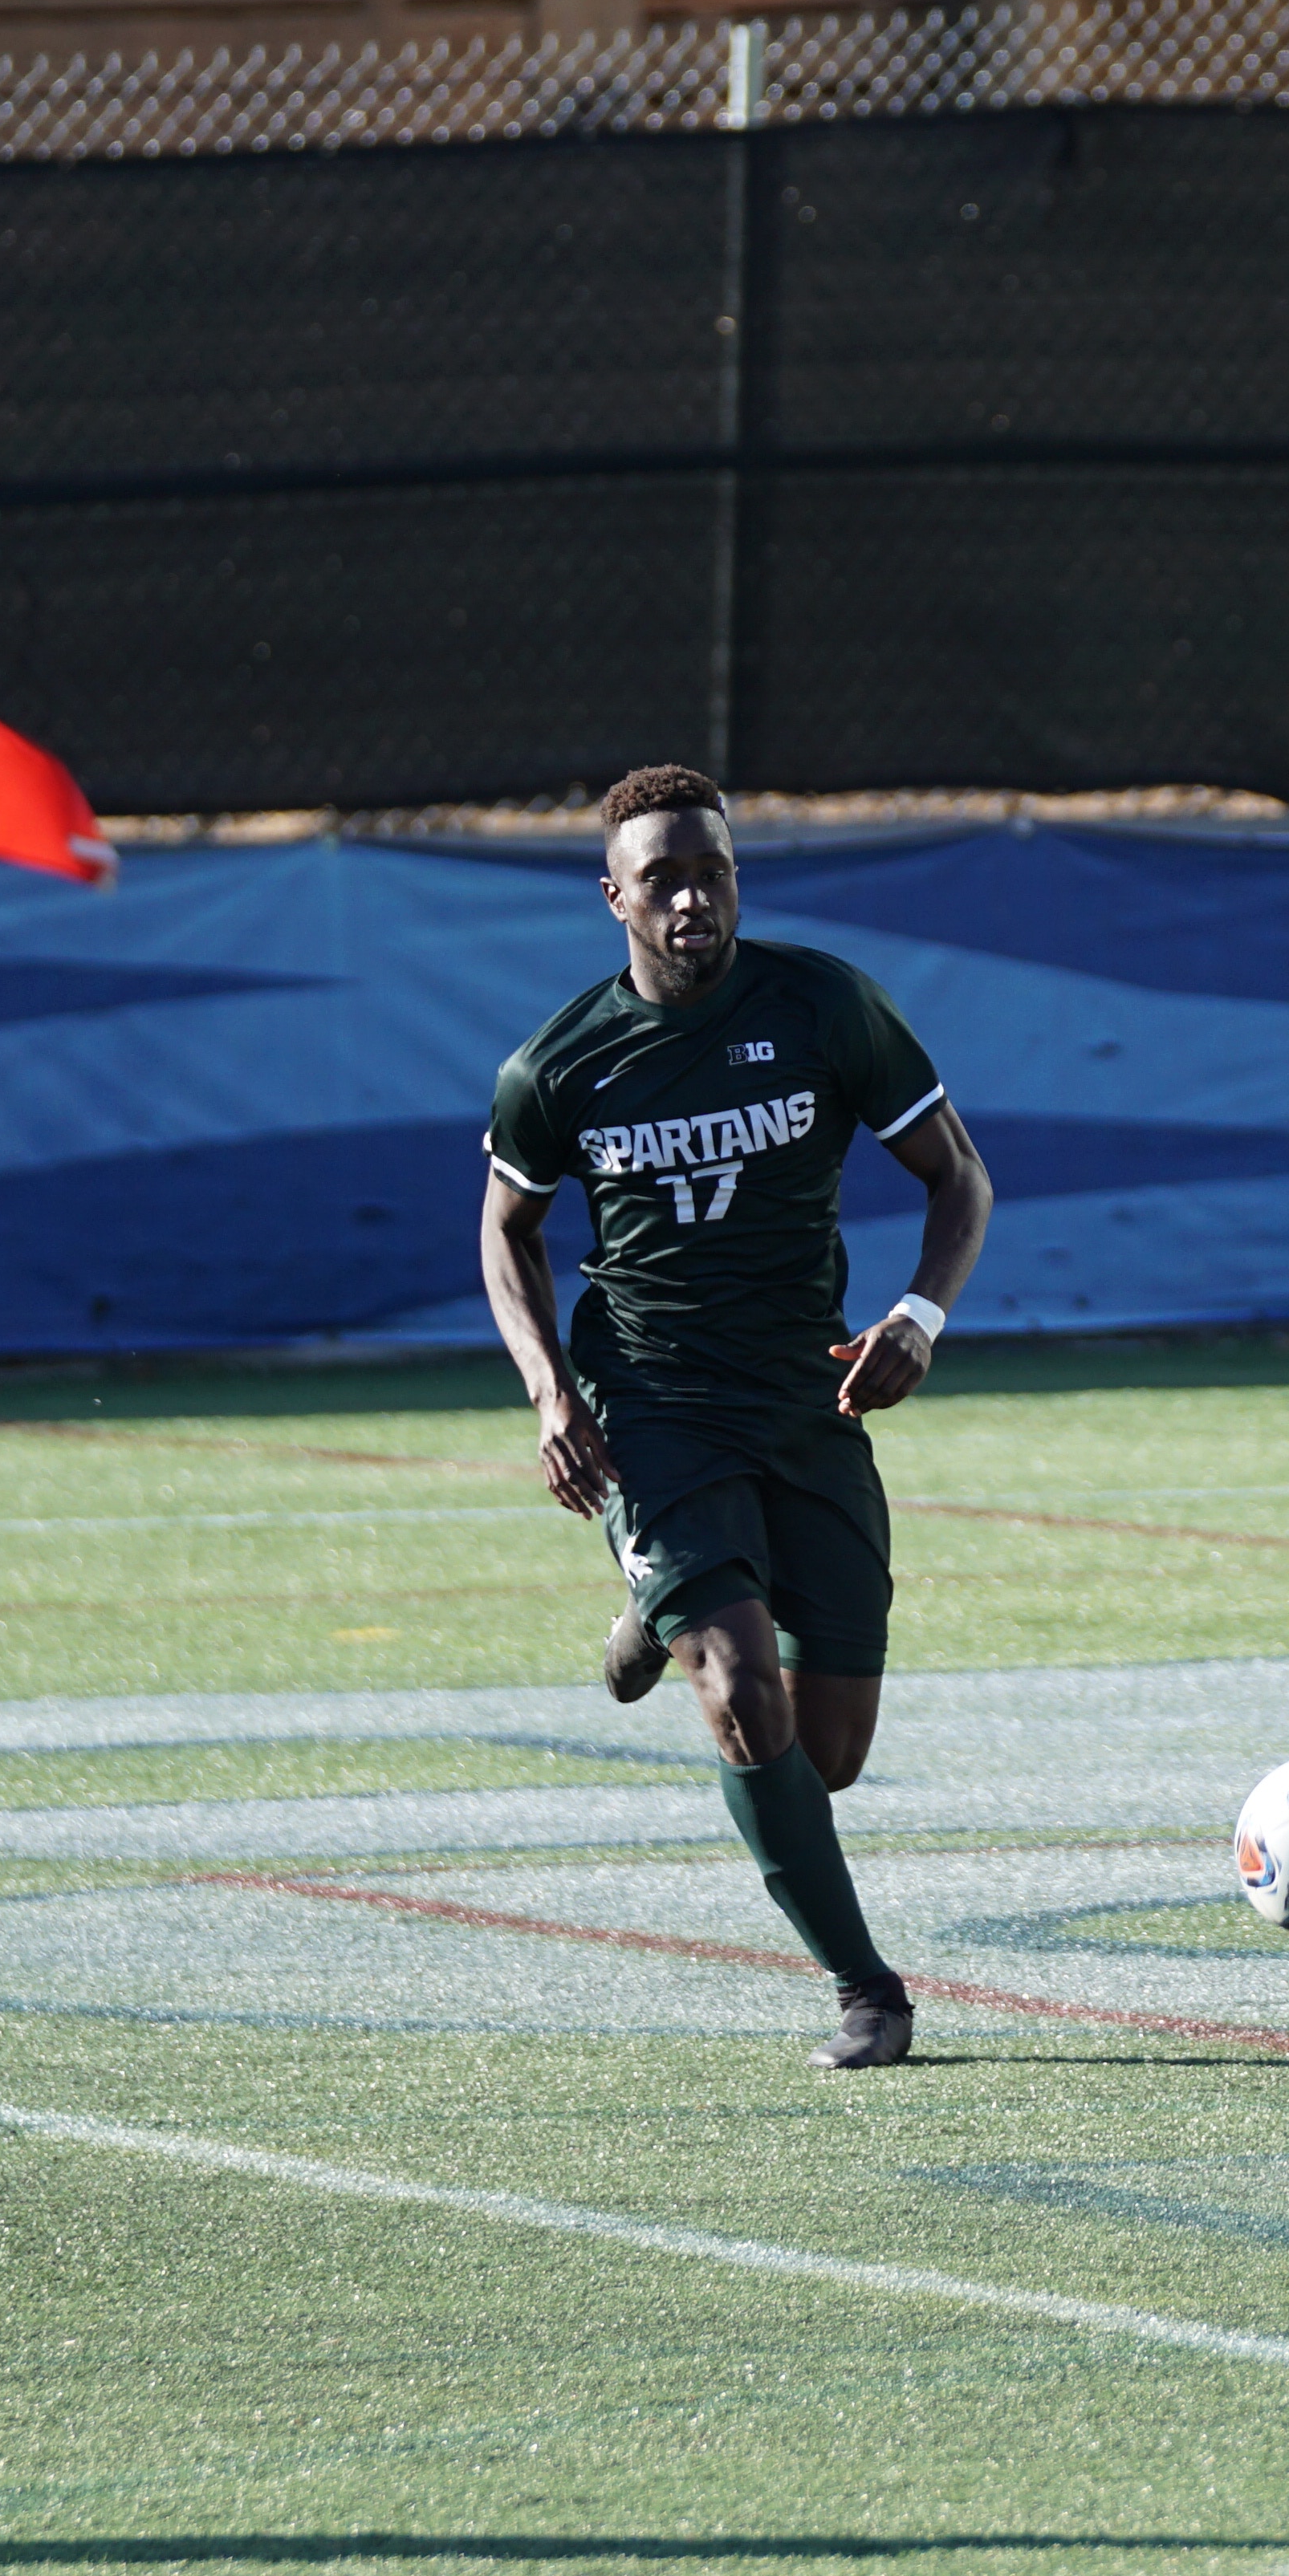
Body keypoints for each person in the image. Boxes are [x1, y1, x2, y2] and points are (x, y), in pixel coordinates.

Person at [478, 764, 994, 2071]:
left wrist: (918, 1319)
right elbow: (507, 1229)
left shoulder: (825, 1007)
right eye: (664, 879)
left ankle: (661, 1604)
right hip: (650, 1404)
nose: (694, 898)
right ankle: (865, 1990)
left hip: (806, 1395)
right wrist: (550, 1390)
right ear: (617, 899)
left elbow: (958, 1176)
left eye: (713, 871)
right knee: (740, 1691)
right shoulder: (560, 1067)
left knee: (829, 1755)